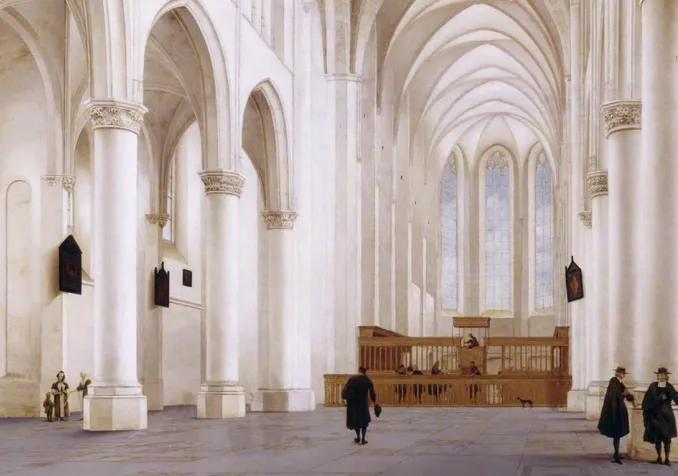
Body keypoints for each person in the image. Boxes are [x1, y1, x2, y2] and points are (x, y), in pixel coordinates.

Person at [598, 366, 636, 464]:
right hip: (614, 412)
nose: (623, 375)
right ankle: (616, 456)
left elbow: (626, 393)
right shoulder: (613, 382)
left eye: (623, 374)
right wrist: (623, 394)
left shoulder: (619, 383)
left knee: (618, 434)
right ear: (618, 373)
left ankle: (616, 453)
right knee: (616, 434)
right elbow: (614, 396)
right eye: (622, 373)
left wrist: (631, 398)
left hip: (619, 411)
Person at [642, 367, 678, 465]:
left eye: (662, 375)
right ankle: (659, 457)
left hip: (667, 416)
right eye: (659, 375)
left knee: (667, 438)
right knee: (657, 438)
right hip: (655, 416)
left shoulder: (669, 387)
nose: (660, 376)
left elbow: (676, 399)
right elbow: (646, 399)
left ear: (666, 376)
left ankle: (667, 459)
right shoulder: (653, 386)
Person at [342, 367, 377, 445]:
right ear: (365, 372)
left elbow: (346, 390)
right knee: (364, 421)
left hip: (353, 403)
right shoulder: (367, 380)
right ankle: (363, 439)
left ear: (359, 371)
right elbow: (372, 393)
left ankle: (358, 437)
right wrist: (375, 402)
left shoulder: (352, 379)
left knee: (356, 420)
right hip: (363, 403)